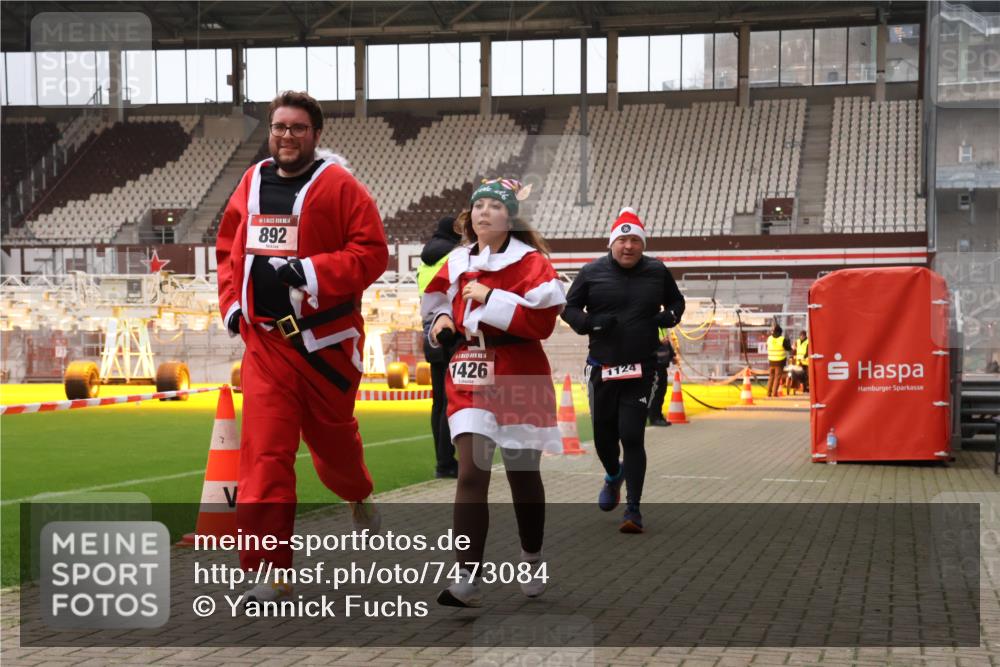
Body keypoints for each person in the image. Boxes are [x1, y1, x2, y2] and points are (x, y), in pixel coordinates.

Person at [215, 90, 388, 603]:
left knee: (336, 450)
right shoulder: (250, 181)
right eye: (279, 127)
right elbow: (228, 248)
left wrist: (310, 271)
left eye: (297, 128)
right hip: (264, 345)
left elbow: (372, 253)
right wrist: (232, 305)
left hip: (325, 348)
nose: (286, 136)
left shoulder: (340, 186)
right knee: (264, 455)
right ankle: (269, 570)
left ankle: (357, 495)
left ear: (316, 135)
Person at [422, 177, 566, 607]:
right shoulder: (455, 260)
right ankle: (466, 577)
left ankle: (532, 556)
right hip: (469, 369)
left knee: (523, 475)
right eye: (479, 205)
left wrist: (492, 296)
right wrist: (441, 322)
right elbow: (436, 301)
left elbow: (542, 323)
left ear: (510, 217)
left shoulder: (533, 264)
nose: (485, 211)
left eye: (495, 206)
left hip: (521, 370)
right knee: (470, 473)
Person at [561, 207, 685, 534]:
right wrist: (589, 322)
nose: (628, 246)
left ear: (642, 245)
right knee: (604, 438)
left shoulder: (657, 271)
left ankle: (633, 509)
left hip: (641, 368)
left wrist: (669, 316)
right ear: (611, 243)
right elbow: (568, 308)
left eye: (634, 240)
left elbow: (677, 302)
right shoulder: (591, 272)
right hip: (602, 367)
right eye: (622, 240)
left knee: (632, 435)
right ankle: (613, 475)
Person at [417, 216, 463, 478]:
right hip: (448, 329)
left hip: (429, 329)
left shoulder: (426, 259)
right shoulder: (455, 256)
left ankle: (442, 462)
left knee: (438, 404)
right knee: (450, 402)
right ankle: (449, 462)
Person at [647, 329, 676, 427]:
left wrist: (672, 356)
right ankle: (654, 417)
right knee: (656, 392)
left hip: (662, 364)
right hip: (655, 364)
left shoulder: (662, 326)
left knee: (661, 391)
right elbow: (646, 343)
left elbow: (667, 343)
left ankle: (658, 415)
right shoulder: (651, 324)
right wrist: (659, 342)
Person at [765, 323, 792, 397]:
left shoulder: (769, 338)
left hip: (771, 361)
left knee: (771, 377)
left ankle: (768, 393)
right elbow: (788, 348)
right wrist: (788, 341)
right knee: (777, 377)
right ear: (780, 332)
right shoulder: (782, 339)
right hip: (779, 361)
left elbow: (766, 345)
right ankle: (774, 393)